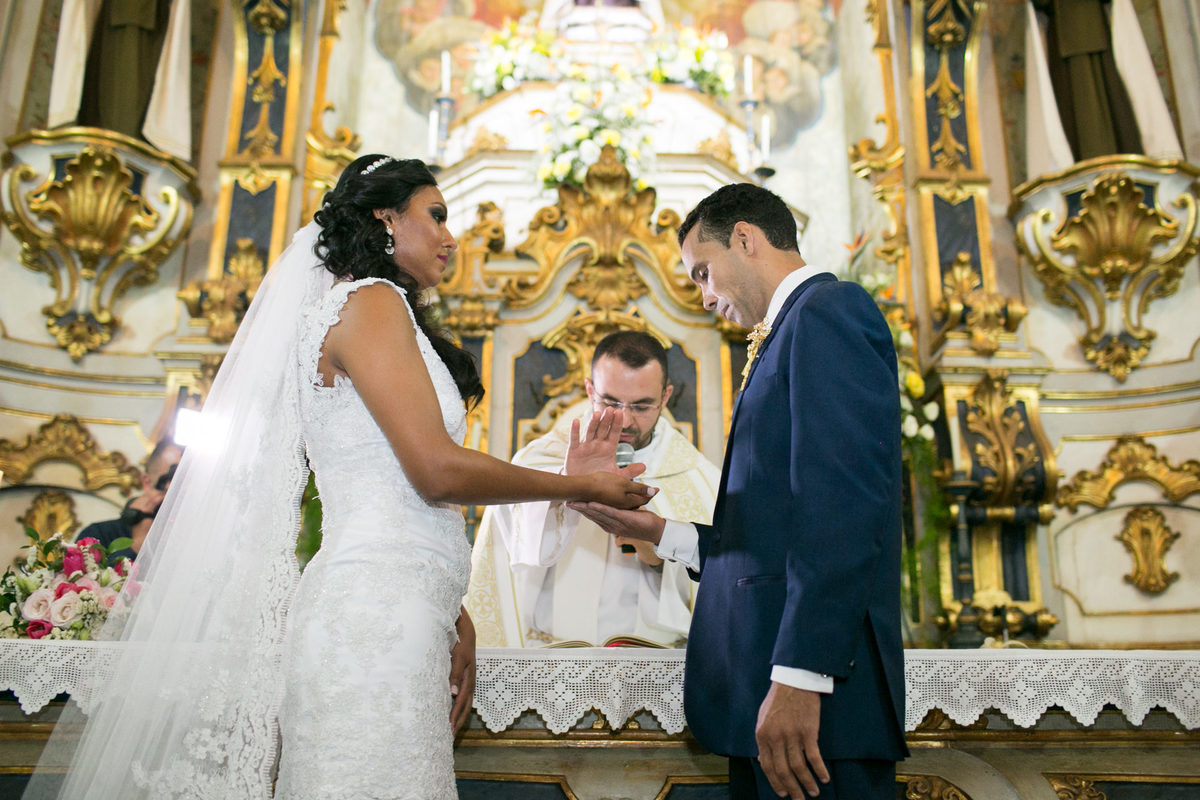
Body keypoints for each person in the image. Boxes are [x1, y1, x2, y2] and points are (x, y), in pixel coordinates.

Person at [25, 155, 654, 800]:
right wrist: (578, 485)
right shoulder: (368, 302)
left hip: (394, 609)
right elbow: (434, 471)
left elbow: (383, 489)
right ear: (385, 218)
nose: (450, 237)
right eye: (435, 215)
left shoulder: (377, 312)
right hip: (370, 619)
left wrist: (450, 610)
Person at [570, 184, 907, 799]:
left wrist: (802, 677)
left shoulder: (827, 313)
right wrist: (660, 534)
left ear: (745, 239)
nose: (703, 296)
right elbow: (773, 534)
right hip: (771, 689)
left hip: (815, 703)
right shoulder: (789, 331)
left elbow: (843, 510)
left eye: (703, 271)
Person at [468, 330, 721, 647]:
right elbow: (514, 542)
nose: (625, 420)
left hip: (653, 658)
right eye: (611, 402)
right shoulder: (543, 459)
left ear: (666, 397)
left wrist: (658, 553)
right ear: (589, 390)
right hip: (554, 654)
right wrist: (568, 483)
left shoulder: (700, 480)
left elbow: (719, 586)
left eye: (642, 406)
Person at [73, 438, 182, 562]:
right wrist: (138, 544)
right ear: (147, 482)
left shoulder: (200, 539)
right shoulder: (99, 534)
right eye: (173, 479)